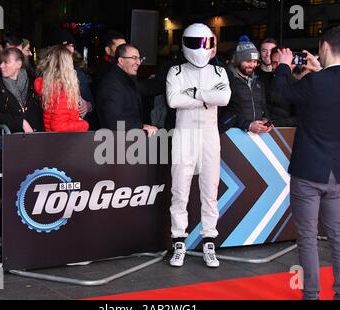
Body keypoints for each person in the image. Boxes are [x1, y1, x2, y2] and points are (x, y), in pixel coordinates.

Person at [272, 25, 340, 300]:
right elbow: (333, 86)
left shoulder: (314, 83)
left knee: (308, 237)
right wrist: (320, 70)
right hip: (336, 171)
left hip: (307, 171)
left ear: (323, 46)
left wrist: (284, 66)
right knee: (338, 234)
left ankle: (312, 294)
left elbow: (280, 93)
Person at [166, 23, 231, 268]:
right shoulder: (176, 71)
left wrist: (192, 94)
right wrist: (206, 96)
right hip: (184, 135)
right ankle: (178, 241)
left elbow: (224, 98)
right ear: (185, 44)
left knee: (210, 191)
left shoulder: (219, 73)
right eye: (195, 43)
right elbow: (173, 100)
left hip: (209, 136)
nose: (200, 49)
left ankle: (209, 241)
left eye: (205, 43)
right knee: (179, 190)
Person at [96, 43, 157, 136]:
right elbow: (113, 121)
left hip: (127, 140)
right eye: (134, 58)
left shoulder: (127, 79)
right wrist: (141, 126)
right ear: (121, 60)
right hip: (115, 143)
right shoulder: (111, 84)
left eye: (139, 58)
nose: (138, 62)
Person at [0, 47, 43, 133]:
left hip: (36, 134)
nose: (1, 66)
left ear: (18, 64)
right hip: (10, 137)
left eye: (6, 62)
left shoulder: (33, 82)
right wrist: (20, 122)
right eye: (0, 62)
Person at [222, 35, 272, 134]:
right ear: (238, 60)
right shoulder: (227, 80)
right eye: (248, 61)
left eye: (255, 62)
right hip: (232, 136)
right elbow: (225, 112)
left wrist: (266, 121)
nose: (252, 65)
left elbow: (263, 107)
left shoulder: (258, 82)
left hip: (258, 136)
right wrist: (248, 125)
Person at [34, 46, 89, 132]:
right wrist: (83, 124)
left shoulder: (48, 85)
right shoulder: (62, 89)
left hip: (53, 139)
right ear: (67, 65)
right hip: (64, 140)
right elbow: (58, 126)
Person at [268, 46, 297, 127]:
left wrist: (275, 124)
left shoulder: (298, 85)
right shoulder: (261, 82)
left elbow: (300, 117)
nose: (279, 66)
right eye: (274, 62)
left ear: (292, 63)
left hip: (286, 133)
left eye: (282, 63)